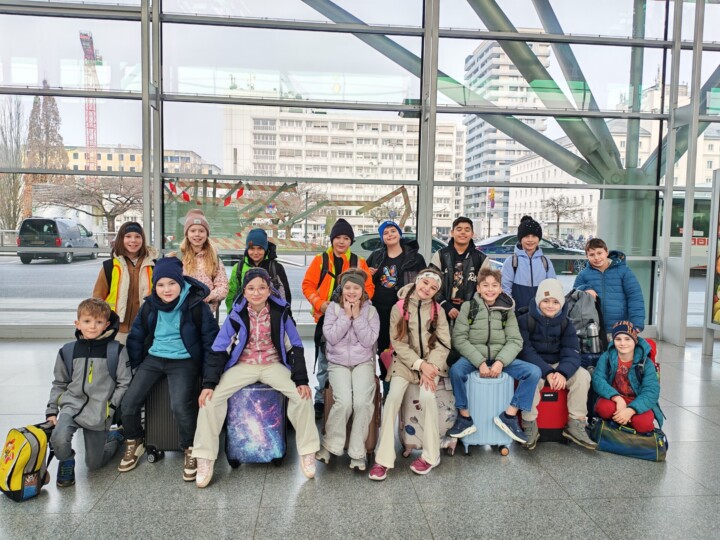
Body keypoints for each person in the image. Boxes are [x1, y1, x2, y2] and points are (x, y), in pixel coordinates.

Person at [192, 268, 320, 487]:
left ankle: (308, 451)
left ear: (269, 290)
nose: (256, 292)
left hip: (272, 365)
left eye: (262, 287)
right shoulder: (237, 314)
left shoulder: (280, 312)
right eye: (251, 288)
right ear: (244, 291)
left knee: (303, 398)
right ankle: (204, 457)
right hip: (244, 365)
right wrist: (209, 384)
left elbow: (295, 345)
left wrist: (301, 380)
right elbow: (219, 347)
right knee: (210, 400)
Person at [118, 257, 218, 480]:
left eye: (172, 283)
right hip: (154, 359)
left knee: (180, 405)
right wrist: (136, 367)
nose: (167, 289)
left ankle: (190, 447)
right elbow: (136, 337)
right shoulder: (149, 306)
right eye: (161, 285)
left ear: (181, 282)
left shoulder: (196, 306)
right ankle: (135, 440)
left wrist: (209, 378)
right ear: (155, 287)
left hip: (184, 360)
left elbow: (212, 342)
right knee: (129, 402)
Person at [368, 268, 450, 481]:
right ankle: (383, 459)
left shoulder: (438, 311)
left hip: (431, 364)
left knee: (427, 397)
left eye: (433, 288)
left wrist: (430, 367)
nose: (427, 289)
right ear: (417, 281)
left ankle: (431, 455)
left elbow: (443, 344)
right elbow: (398, 342)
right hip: (405, 363)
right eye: (425, 283)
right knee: (392, 398)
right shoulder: (399, 307)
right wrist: (419, 364)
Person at [446, 268, 541, 445]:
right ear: (478, 288)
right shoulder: (468, 307)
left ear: (500, 289)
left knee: (533, 372)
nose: (490, 289)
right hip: (474, 356)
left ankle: (509, 416)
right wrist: (480, 362)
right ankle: (464, 418)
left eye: (494, 285)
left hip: (500, 357)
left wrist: (500, 362)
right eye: (485, 285)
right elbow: (459, 339)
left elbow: (515, 341)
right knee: (456, 371)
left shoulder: (507, 310)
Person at [45, 298, 131, 487]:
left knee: (94, 464)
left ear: (106, 325)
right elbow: (59, 383)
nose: (92, 326)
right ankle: (66, 461)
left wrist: (111, 407)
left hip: (99, 411)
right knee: (58, 439)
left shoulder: (117, 351)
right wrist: (51, 411)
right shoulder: (67, 351)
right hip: (71, 406)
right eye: (87, 321)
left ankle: (115, 438)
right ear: (77, 323)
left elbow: (124, 383)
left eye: (99, 322)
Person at [302, 218, 374, 418]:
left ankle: (347, 398)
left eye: (346, 238)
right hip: (327, 318)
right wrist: (320, 304)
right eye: (338, 237)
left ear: (351, 241)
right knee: (325, 360)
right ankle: (321, 399)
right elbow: (307, 285)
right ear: (332, 239)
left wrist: (358, 304)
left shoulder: (359, 262)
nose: (341, 242)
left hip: (354, 319)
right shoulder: (321, 260)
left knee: (352, 358)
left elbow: (369, 288)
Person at [516, 279, 597, 450]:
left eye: (555, 302)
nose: (550, 306)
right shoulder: (524, 320)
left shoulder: (566, 323)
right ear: (538, 301)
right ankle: (529, 424)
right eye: (546, 301)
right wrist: (547, 372)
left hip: (558, 365)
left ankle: (576, 423)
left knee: (582, 376)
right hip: (535, 365)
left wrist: (562, 372)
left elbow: (572, 351)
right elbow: (525, 351)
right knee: (531, 379)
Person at [317, 268, 380, 472]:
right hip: (338, 363)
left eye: (356, 288)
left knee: (362, 403)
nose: (352, 292)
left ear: (363, 290)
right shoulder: (333, 309)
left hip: (363, 363)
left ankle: (357, 452)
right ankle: (330, 446)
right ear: (342, 289)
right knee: (344, 402)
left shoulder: (371, 311)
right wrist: (346, 316)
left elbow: (369, 340)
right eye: (348, 287)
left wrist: (358, 317)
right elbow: (331, 337)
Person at [366, 221, 426, 387]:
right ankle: (387, 383)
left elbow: (424, 281)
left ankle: (405, 383)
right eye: (385, 233)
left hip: (405, 310)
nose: (390, 235)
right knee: (384, 349)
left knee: (405, 345)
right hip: (380, 310)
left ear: (400, 234)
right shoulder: (376, 256)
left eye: (393, 231)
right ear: (382, 238)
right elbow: (364, 282)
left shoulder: (415, 258)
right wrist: (367, 273)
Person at [92, 222, 157, 344]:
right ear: (121, 239)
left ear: (143, 239)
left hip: (145, 328)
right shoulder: (110, 266)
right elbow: (97, 298)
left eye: (137, 236)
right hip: (117, 328)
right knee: (118, 356)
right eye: (128, 236)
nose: (133, 240)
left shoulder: (153, 266)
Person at [592, 321, 662, 433]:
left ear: (635, 340)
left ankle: (626, 421)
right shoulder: (607, 356)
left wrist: (631, 410)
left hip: (638, 400)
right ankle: (619, 424)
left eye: (627, 339)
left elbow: (651, 391)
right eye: (618, 339)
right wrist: (617, 398)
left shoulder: (646, 363)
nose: (622, 343)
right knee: (604, 409)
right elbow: (598, 380)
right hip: (615, 399)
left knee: (643, 424)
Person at [573, 238, 645, 336]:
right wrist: (585, 288)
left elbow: (635, 297)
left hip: (619, 328)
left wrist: (637, 323)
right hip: (593, 329)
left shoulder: (624, 271)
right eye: (592, 255)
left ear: (607, 252)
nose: (596, 257)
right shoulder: (583, 275)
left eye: (599, 253)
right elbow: (574, 294)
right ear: (587, 256)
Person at [430, 216, 488, 323]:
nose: (463, 232)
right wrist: (446, 306)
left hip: (472, 312)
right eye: (459, 229)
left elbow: (486, 288)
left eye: (467, 230)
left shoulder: (481, 258)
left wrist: (471, 308)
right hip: (441, 310)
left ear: (472, 234)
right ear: (452, 233)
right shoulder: (441, 255)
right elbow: (431, 283)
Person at [171, 209, 228, 316]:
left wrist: (211, 295)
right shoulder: (177, 258)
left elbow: (223, 285)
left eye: (201, 231)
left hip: (206, 310)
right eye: (193, 231)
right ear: (187, 234)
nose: (197, 234)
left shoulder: (214, 259)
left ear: (207, 234)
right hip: (182, 311)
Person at [226, 228, 292, 311]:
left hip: (272, 315)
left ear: (265, 248)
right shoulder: (239, 267)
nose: (256, 252)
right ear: (247, 249)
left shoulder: (275, 267)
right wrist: (232, 313)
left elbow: (285, 294)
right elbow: (231, 294)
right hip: (244, 315)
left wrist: (286, 314)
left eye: (260, 248)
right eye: (252, 248)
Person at [501, 215, 556, 311]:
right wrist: (510, 310)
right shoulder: (512, 261)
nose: (530, 240)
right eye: (526, 236)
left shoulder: (545, 262)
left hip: (541, 312)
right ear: (520, 238)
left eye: (534, 236)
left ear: (539, 238)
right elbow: (505, 289)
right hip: (517, 312)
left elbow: (552, 287)